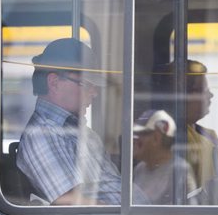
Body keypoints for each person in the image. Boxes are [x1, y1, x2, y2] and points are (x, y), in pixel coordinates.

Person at [16, 38, 148, 205]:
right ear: (54, 83)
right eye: (86, 84)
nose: (94, 93)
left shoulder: (81, 132)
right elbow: (70, 203)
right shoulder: (42, 134)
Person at [152, 60, 218, 196]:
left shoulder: (203, 133)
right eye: (203, 90)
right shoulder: (174, 139)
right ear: (183, 96)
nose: (210, 95)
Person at [132, 109, 198, 205]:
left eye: (141, 133)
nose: (134, 139)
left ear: (156, 137)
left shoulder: (179, 170)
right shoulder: (140, 169)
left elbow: (188, 213)